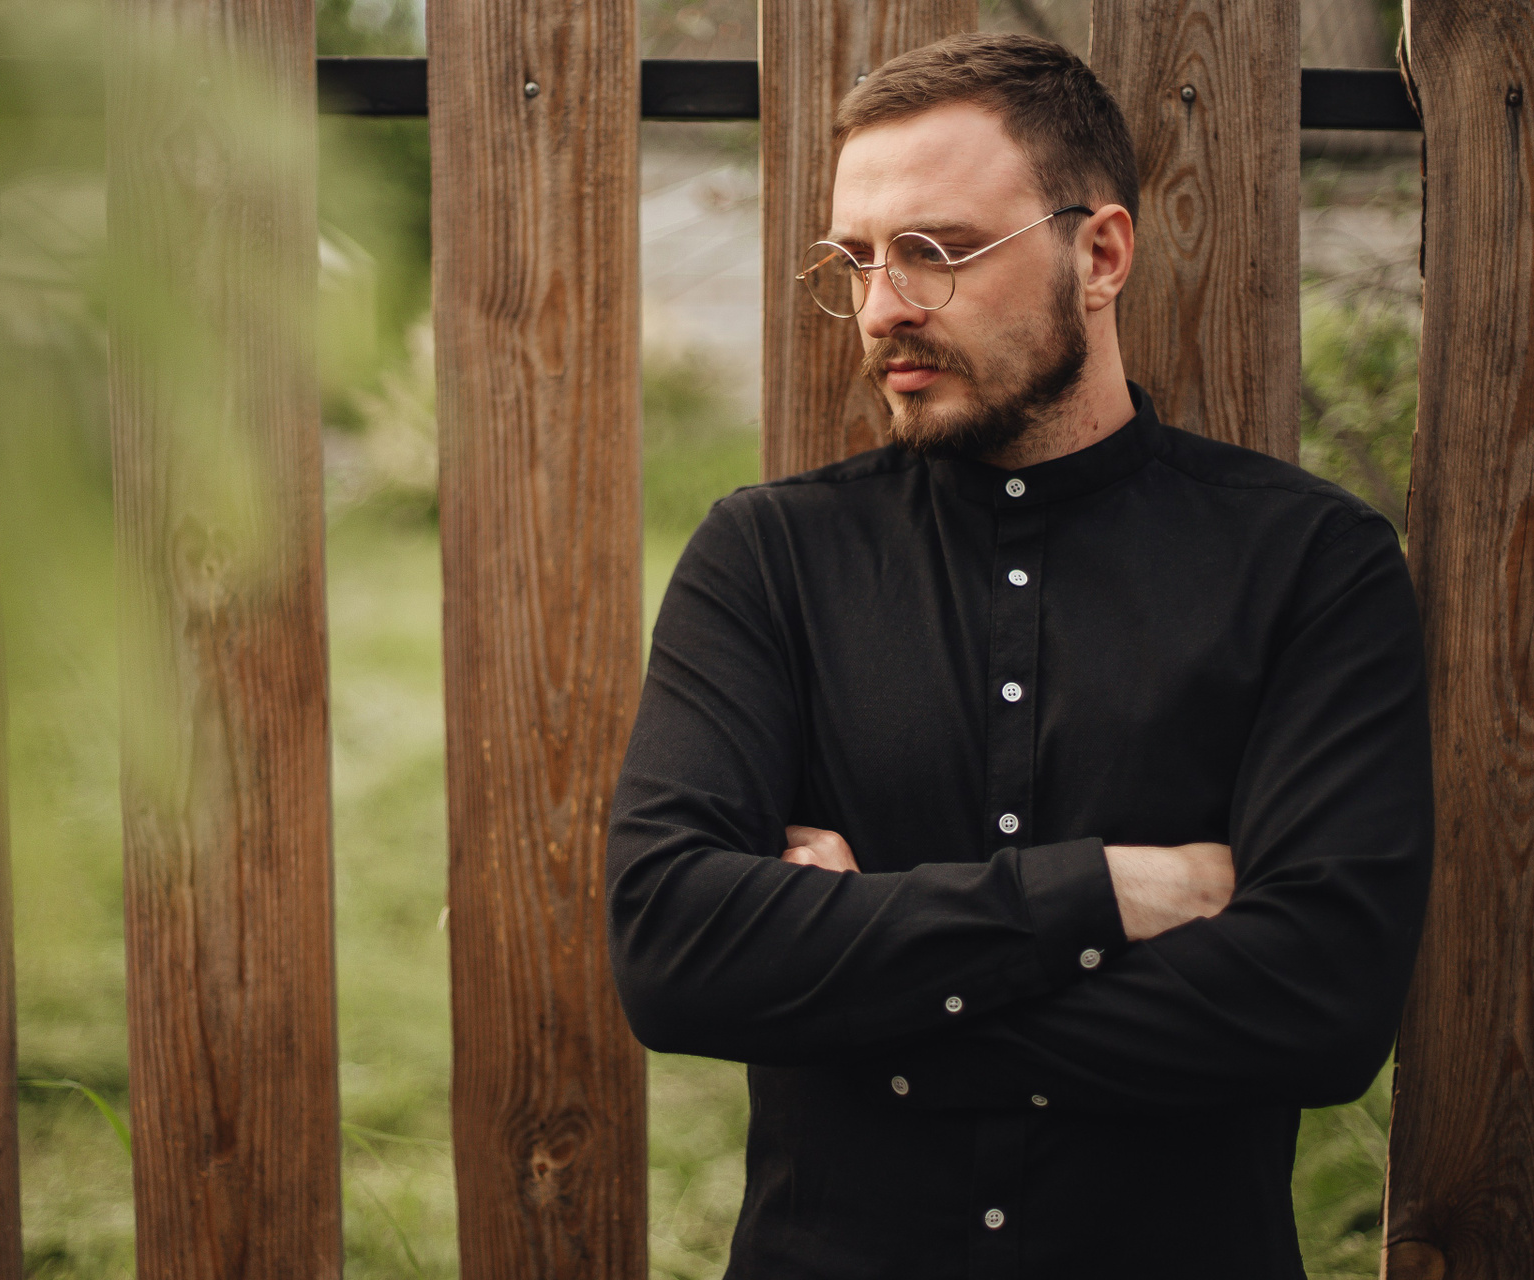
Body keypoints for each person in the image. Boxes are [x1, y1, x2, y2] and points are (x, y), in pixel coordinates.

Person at [605, 32, 1432, 1280]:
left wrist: (864, 996)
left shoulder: (1309, 563)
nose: (882, 307)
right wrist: (1104, 894)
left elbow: (1321, 1005)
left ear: (1099, 255)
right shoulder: (769, 558)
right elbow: (675, 952)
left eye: (935, 252)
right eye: (856, 260)